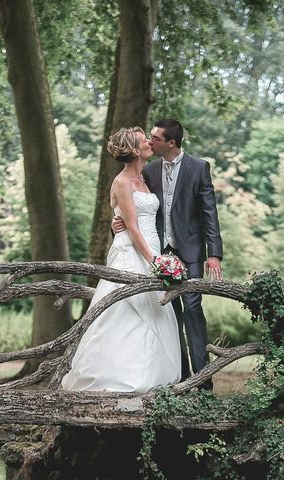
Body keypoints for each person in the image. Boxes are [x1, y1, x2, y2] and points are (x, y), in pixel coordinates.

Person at [61, 127, 181, 393]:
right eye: (144, 141)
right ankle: (116, 375)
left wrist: (156, 256)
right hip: (133, 251)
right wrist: (155, 262)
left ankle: (154, 376)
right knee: (125, 306)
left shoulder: (145, 177)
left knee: (153, 309)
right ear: (135, 151)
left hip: (152, 247)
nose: (150, 143)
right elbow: (132, 227)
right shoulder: (122, 182)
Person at [113, 119, 223, 387]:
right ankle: (181, 377)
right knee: (169, 316)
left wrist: (214, 253)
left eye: (155, 138)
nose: (150, 142)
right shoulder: (148, 171)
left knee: (193, 309)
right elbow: (131, 211)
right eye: (148, 138)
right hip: (159, 252)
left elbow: (209, 213)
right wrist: (116, 224)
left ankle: (203, 381)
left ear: (171, 142)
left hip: (191, 251)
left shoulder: (199, 168)